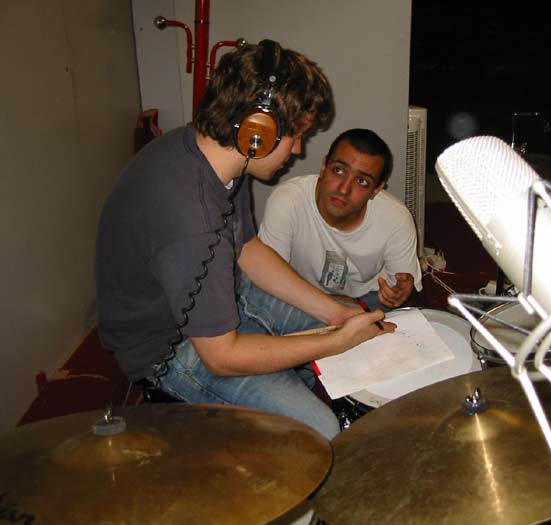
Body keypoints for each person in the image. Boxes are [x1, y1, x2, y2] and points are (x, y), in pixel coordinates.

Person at [95, 41, 393, 440]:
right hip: (169, 348)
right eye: (296, 136)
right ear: (258, 133)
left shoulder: (216, 157)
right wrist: (334, 343)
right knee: (318, 430)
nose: (298, 149)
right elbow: (222, 357)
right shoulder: (191, 219)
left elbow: (247, 250)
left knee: (352, 319)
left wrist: (336, 315)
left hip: (223, 293)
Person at [257, 128, 422, 312]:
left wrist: (399, 293)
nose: (344, 189)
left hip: (368, 299)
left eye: (362, 181)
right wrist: (336, 308)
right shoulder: (287, 201)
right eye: (338, 170)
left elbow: (402, 292)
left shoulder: (396, 219)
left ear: (376, 190)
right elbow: (268, 282)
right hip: (301, 296)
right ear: (324, 167)